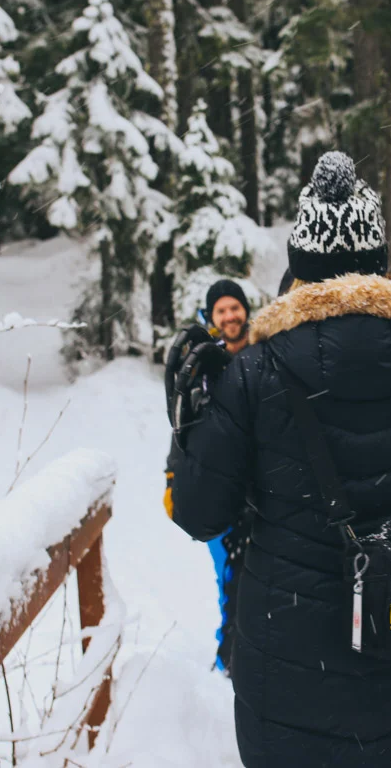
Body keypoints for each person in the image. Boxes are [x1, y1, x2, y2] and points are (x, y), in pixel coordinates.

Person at [168, 151, 391, 767]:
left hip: (287, 676)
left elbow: (197, 513)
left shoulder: (255, 374)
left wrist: (190, 421)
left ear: (299, 266)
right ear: (379, 263)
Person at [163, 278, 254, 674]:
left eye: (235, 307)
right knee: (230, 582)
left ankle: (249, 659)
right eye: (222, 309)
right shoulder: (198, 366)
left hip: (261, 494)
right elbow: (183, 430)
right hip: (219, 494)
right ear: (210, 316)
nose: (230, 315)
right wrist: (173, 480)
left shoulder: (267, 353)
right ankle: (229, 660)